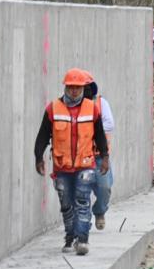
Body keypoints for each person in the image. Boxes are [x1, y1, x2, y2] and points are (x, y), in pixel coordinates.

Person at [34, 68, 109, 255]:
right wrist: (38, 157)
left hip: (85, 164)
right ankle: (70, 236)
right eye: (71, 87)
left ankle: (82, 239)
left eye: (78, 87)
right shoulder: (53, 109)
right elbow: (43, 136)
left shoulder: (92, 109)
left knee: (82, 201)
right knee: (66, 204)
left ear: (83, 88)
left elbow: (99, 135)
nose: (74, 91)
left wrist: (105, 157)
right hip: (62, 166)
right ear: (65, 87)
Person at [83, 78, 115, 230]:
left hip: (99, 156)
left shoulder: (101, 103)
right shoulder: (72, 106)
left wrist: (89, 128)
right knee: (81, 191)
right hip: (79, 157)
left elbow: (109, 124)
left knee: (105, 187)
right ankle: (84, 222)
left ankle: (99, 211)